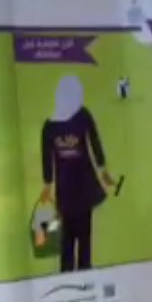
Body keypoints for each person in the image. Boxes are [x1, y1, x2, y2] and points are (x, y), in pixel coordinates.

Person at [40, 75, 115, 273]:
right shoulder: (57, 124)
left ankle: (76, 272)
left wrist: (103, 170)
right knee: (74, 235)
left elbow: (94, 142)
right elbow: (47, 157)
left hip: (76, 187)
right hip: (73, 188)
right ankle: (77, 272)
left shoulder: (60, 123)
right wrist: (47, 184)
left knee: (75, 235)